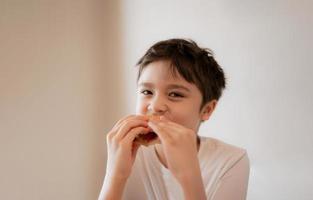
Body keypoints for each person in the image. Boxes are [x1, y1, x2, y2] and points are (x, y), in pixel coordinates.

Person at [98, 39, 250, 200]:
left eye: (175, 94)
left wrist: (189, 177)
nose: (155, 106)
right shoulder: (124, 152)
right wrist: (115, 176)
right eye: (147, 92)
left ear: (207, 109)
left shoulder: (232, 160)